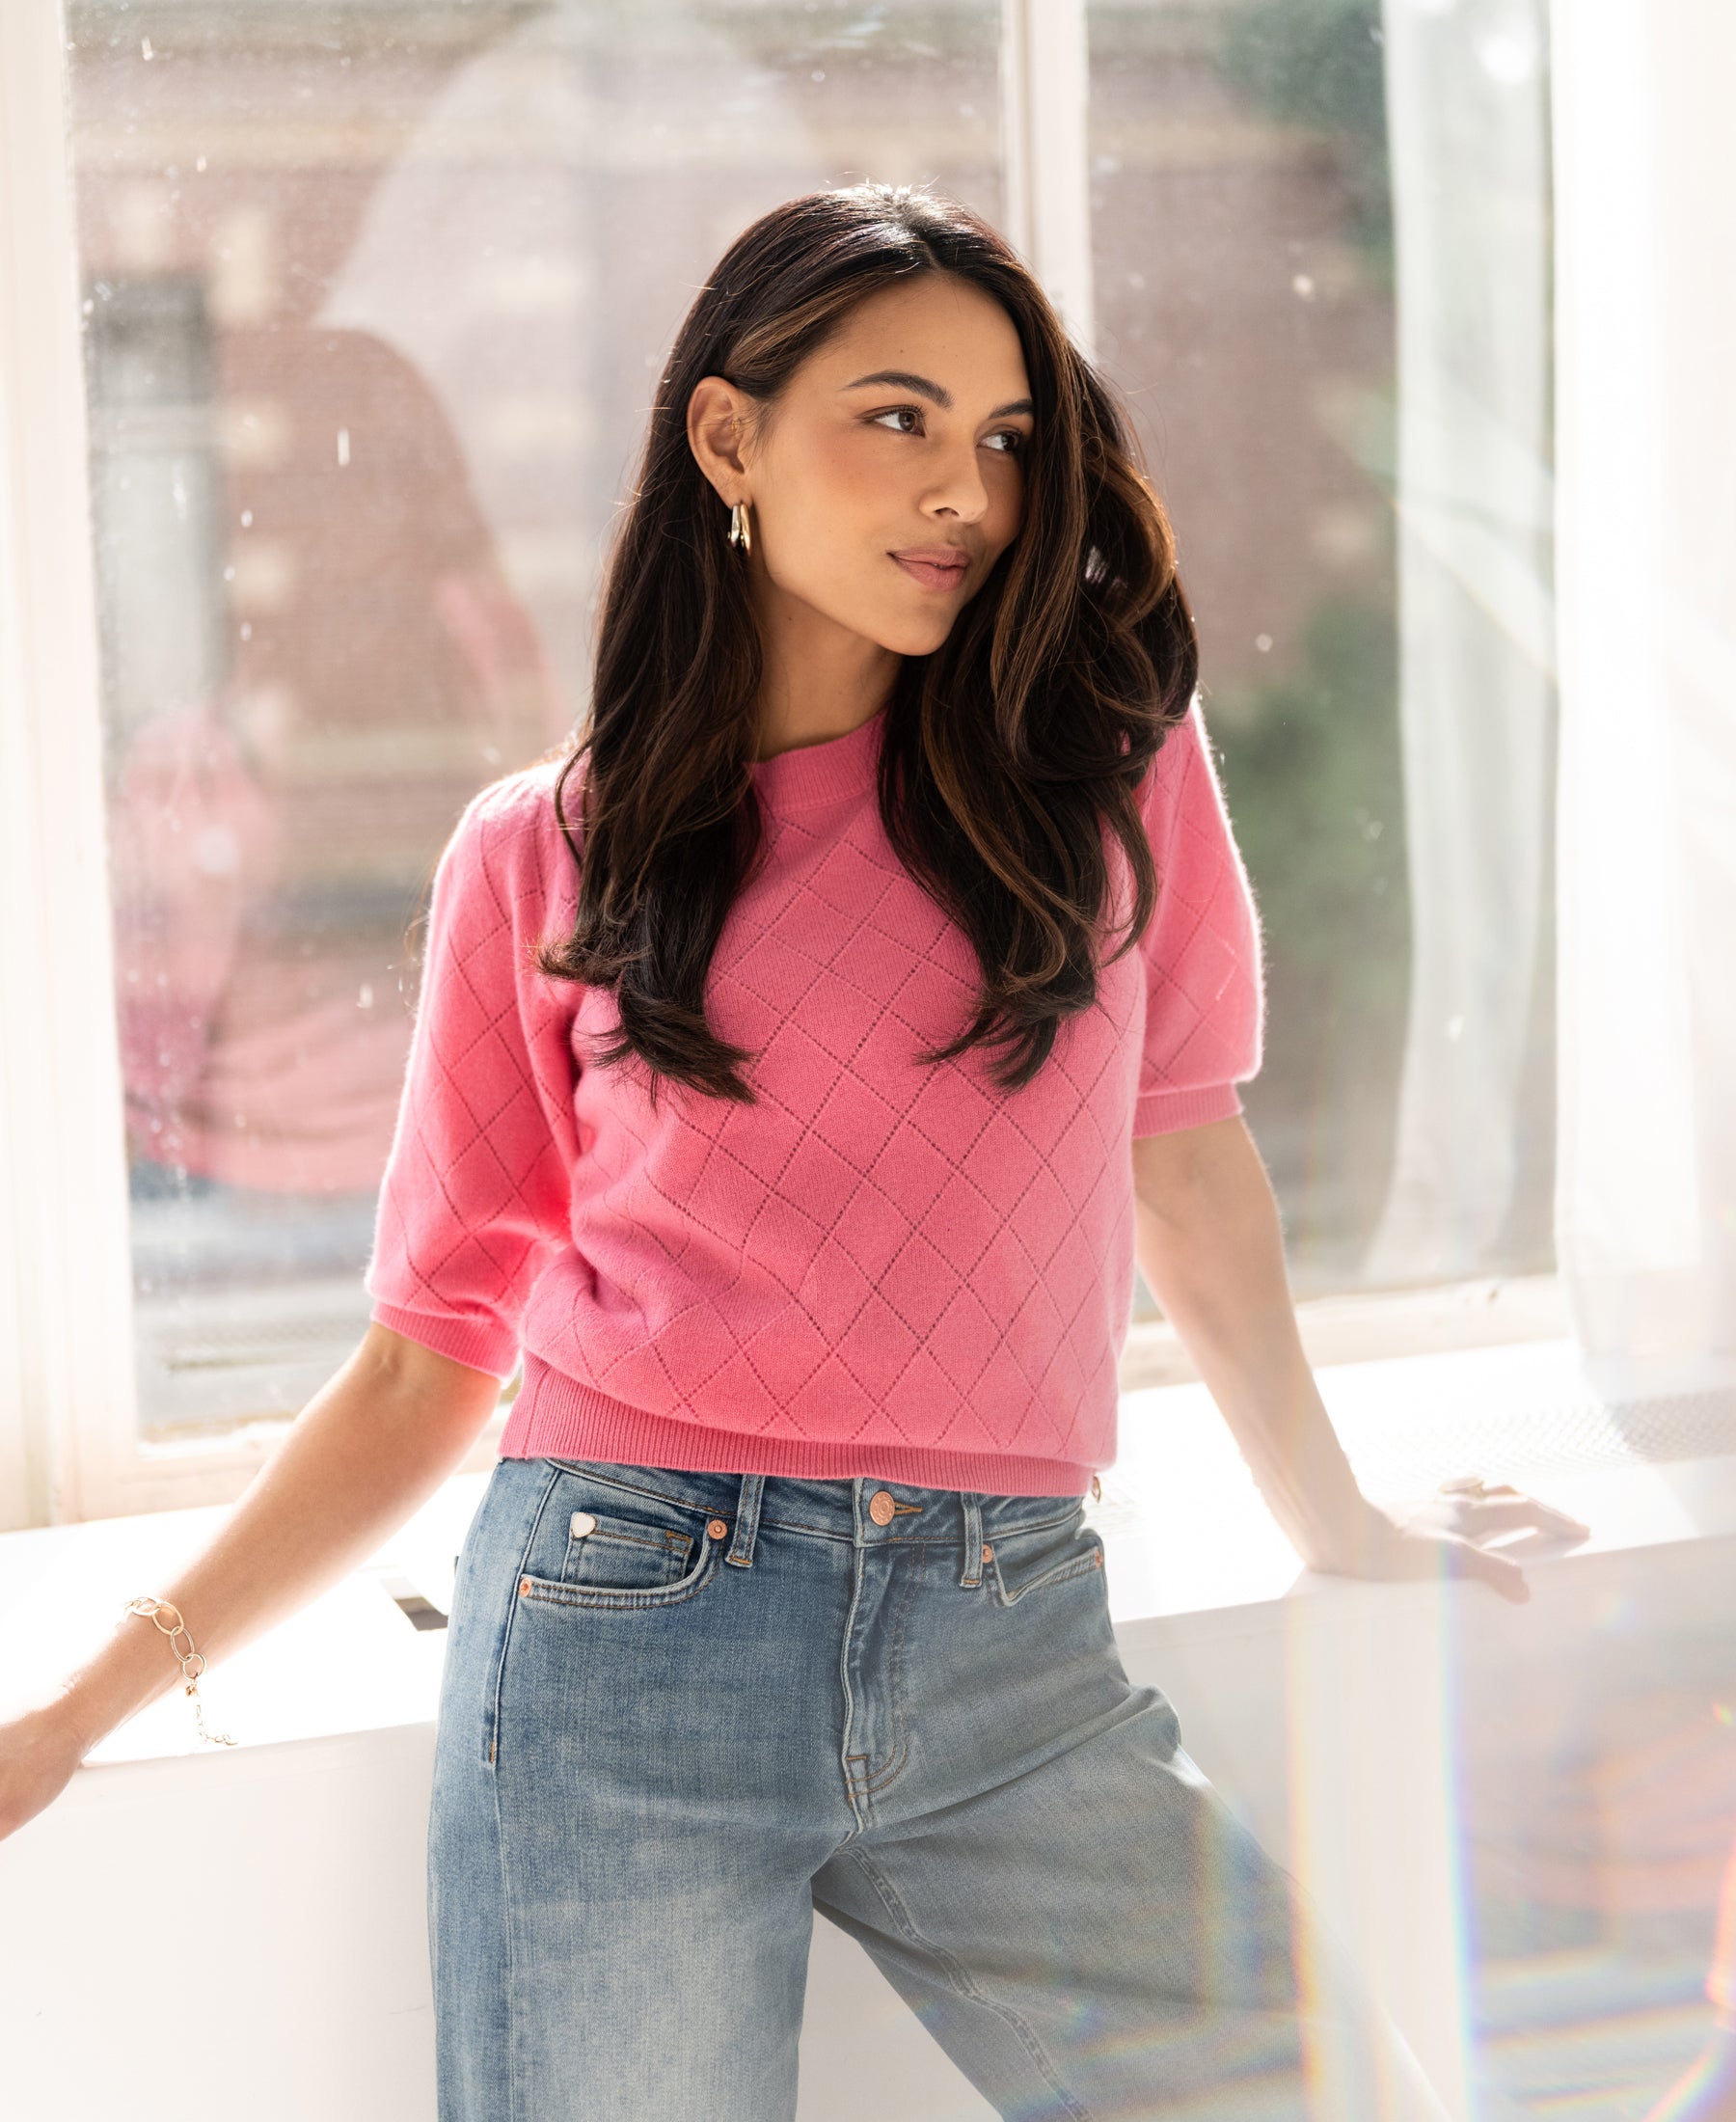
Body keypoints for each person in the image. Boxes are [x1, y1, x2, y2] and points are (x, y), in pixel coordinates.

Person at [0, 184, 1587, 2120]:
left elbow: (1187, 1161)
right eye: (896, 417)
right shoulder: (544, 853)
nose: (965, 493)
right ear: (729, 437)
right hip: (624, 1635)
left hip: (1014, 1640)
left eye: (1005, 438)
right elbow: (431, 1361)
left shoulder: (1104, 775)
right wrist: (79, 1700)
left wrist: (1340, 1527)